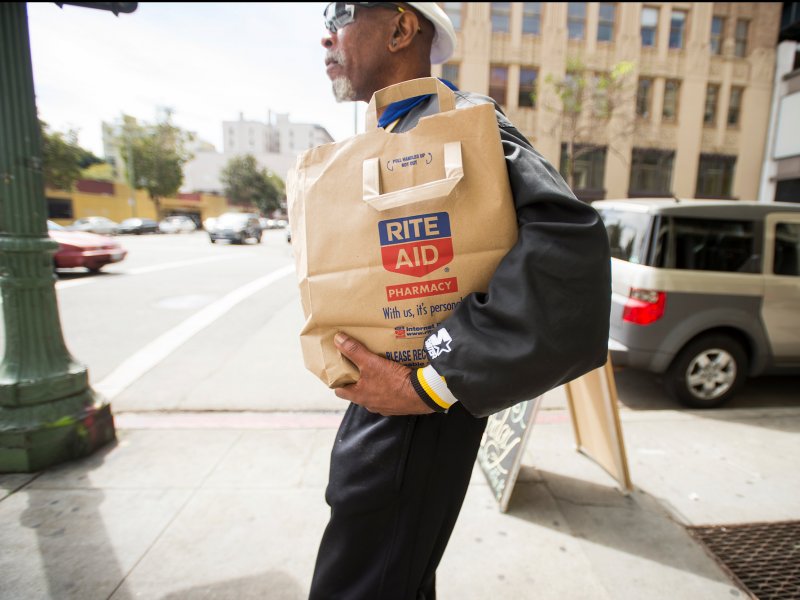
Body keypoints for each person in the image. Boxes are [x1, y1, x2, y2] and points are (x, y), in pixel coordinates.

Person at [310, 3, 611, 598]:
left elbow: (568, 256)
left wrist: (432, 381)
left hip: (413, 413)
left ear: (401, 27)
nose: (326, 35)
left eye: (341, 12)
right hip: (392, 402)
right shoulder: (399, 132)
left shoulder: (463, 125)